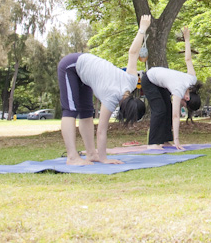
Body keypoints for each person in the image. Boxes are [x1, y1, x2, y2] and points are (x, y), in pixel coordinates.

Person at [57, 14, 151, 166]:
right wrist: (104, 159)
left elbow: (133, 53)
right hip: (71, 66)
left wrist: (142, 29)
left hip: (85, 74)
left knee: (86, 112)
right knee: (70, 110)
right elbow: (101, 131)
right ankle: (72, 157)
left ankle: (91, 153)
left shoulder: (132, 81)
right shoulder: (111, 98)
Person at [135, 25, 202, 150]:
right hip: (149, 80)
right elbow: (176, 117)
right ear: (187, 98)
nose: (182, 105)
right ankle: (153, 143)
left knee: (168, 108)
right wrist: (177, 141)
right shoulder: (179, 89)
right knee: (159, 109)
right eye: (184, 105)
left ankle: (165, 140)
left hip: (160, 83)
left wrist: (187, 39)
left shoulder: (191, 79)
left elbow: (188, 59)